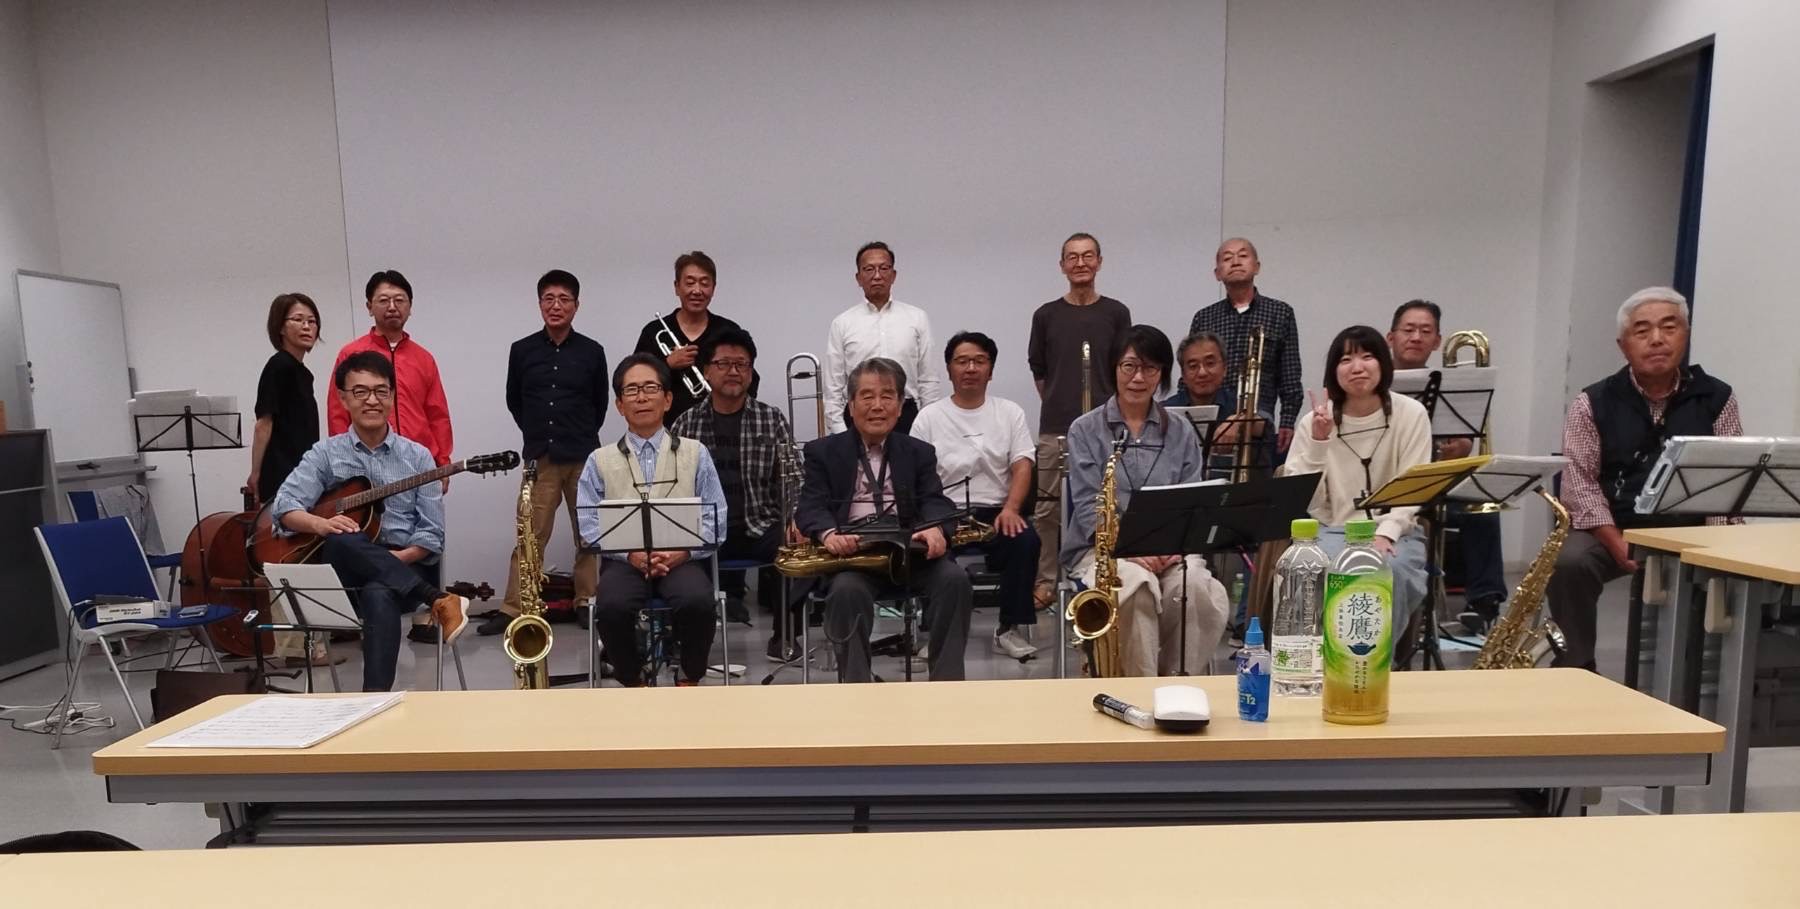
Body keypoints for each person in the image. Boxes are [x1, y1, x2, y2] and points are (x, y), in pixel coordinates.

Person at [1548, 287, 1741, 672]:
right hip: (1616, 527)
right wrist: (1616, 542)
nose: (1657, 339)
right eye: (1642, 330)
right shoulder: (1592, 402)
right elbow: (1580, 484)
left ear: (1685, 335)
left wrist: (1717, 547)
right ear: (1623, 345)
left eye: (1669, 327)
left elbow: (1728, 481)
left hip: (1692, 529)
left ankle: (1706, 672)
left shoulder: (1718, 398)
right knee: (1569, 562)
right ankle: (1576, 666)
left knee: (1738, 562)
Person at [270, 351, 469, 692]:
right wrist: (320, 525)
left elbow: (432, 534)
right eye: (360, 392)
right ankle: (438, 599)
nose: (372, 400)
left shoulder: (419, 456)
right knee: (341, 537)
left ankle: (372, 701)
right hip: (345, 574)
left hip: (407, 565)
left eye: (381, 391)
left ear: (392, 396)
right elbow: (284, 506)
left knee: (380, 592)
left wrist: (397, 559)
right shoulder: (325, 454)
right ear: (343, 398)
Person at [1063, 326, 1229, 676]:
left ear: (1162, 374)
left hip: (1171, 551)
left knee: (1196, 590)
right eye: (1129, 366)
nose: (1138, 378)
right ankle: (1140, 688)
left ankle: (1178, 684)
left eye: (1150, 368)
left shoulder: (1181, 430)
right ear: (1114, 369)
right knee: (1135, 586)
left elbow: (1192, 501)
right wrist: (1129, 548)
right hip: (1103, 550)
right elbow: (1088, 506)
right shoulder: (1084, 429)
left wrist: (1172, 545)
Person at [796, 357, 973, 681]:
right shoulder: (823, 452)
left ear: (901, 405)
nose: (877, 406)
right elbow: (810, 506)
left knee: (954, 580)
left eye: (887, 396)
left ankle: (947, 686)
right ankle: (857, 687)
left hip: (909, 553)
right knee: (846, 591)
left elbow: (934, 500)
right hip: (854, 556)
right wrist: (829, 533)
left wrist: (936, 527)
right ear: (851, 406)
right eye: (867, 396)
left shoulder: (919, 451)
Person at [578, 354, 728, 687]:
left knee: (697, 601)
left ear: (668, 399)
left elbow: (716, 519)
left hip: (683, 558)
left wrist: (683, 553)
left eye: (650, 388)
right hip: (624, 561)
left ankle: (689, 676)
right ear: (619, 405)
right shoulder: (598, 460)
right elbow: (589, 525)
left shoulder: (696, 453)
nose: (642, 398)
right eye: (632, 391)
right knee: (611, 606)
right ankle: (634, 679)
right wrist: (629, 555)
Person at [327, 270, 455, 643]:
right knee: (368, 534)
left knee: (424, 531)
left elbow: (438, 412)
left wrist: (442, 461)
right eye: (383, 300)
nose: (392, 306)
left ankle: (425, 619)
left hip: (416, 464)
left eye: (400, 299)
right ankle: (368, 610)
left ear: (410, 307)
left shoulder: (424, 358)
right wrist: (343, 467)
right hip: (364, 466)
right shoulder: (351, 354)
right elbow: (337, 412)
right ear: (369, 306)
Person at [482, 270, 610, 637]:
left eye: (564, 299)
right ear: (539, 304)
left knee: (589, 534)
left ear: (576, 306)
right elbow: (515, 401)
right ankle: (514, 607)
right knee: (530, 534)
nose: (556, 306)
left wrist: (576, 431)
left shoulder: (592, 351)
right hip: (542, 455)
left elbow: (600, 404)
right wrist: (539, 433)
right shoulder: (522, 350)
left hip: (583, 455)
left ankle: (587, 601)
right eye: (549, 299)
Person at [1283, 326, 1434, 633]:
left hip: (1395, 530)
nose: (1357, 367)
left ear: (1383, 363)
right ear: (1333, 371)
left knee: (1390, 569)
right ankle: (1320, 658)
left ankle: (1377, 660)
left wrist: (1387, 533)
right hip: (1332, 529)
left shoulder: (1411, 414)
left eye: (1367, 357)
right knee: (1313, 572)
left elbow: (1414, 487)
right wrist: (1319, 442)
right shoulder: (1314, 420)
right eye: (1346, 359)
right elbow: (1302, 498)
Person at [671, 327, 806, 657]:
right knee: (683, 567)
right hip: (703, 531)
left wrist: (795, 519)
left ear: (750, 372)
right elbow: (672, 487)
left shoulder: (771, 419)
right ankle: (693, 647)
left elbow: (794, 478)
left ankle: (785, 638)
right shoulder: (685, 424)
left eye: (742, 364)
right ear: (706, 371)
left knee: (797, 548)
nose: (733, 371)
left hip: (760, 525)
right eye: (724, 363)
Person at [911, 332, 1043, 659]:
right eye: (962, 361)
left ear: (991, 370)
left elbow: (1023, 464)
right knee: (928, 550)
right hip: (944, 512)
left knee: (1025, 540)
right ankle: (937, 633)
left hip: (997, 511)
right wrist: (929, 521)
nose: (970, 368)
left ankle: (1009, 629)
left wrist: (1012, 508)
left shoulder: (1010, 412)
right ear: (949, 369)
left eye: (979, 361)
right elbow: (913, 474)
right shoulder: (929, 417)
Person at [1386, 299, 1507, 633]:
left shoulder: (1453, 387)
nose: (1416, 337)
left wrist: (1461, 446)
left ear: (1438, 342)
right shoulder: (1372, 381)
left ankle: (1484, 603)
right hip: (1388, 489)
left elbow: (1463, 440)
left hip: (1435, 483)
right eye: (1408, 329)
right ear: (1390, 337)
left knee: (1483, 508)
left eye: (1426, 331)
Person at [1027, 232, 1132, 611]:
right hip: (1056, 427)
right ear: (1062, 266)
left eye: (1088, 256)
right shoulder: (1046, 315)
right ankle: (1045, 580)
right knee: (1048, 510)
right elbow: (1040, 372)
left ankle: (1104, 573)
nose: (1080, 263)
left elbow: (1124, 366)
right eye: (1072, 257)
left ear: (1099, 262)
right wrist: (1062, 404)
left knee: (1108, 504)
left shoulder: (1116, 313)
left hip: (1108, 428)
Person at [250, 292, 327, 668]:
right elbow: (264, 423)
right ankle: (296, 650)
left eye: (312, 320)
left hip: (302, 476)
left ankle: (308, 646)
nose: (307, 326)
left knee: (304, 558)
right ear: (280, 327)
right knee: (286, 560)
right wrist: (256, 474)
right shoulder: (279, 366)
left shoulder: (300, 370)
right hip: (283, 477)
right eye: (298, 319)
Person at [1187, 238, 1304, 456]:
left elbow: (1289, 373)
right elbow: (1190, 369)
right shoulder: (1204, 317)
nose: (1235, 262)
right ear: (1217, 274)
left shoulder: (1281, 312)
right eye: (1227, 258)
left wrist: (1288, 421)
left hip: (1259, 415)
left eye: (1243, 256)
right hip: (1214, 413)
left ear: (1257, 267)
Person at [822, 242, 943, 434]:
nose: (877, 275)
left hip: (906, 416)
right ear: (858, 278)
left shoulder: (917, 318)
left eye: (884, 268)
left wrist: (928, 428)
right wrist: (840, 432)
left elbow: (928, 380)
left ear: (893, 275)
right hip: (858, 414)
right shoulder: (842, 323)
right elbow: (833, 388)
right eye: (869, 269)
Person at [633, 251, 758, 426]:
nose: (697, 290)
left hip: (719, 428)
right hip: (665, 429)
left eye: (705, 283)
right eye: (690, 283)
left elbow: (750, 379)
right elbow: (634, 383)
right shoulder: (653, 331)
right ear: (677, 287)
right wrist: (667, 364)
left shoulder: (728, 330)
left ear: (713, 288)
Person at [1164, 331, 1274, 477]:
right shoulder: (1165, 410)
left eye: (1210, 363)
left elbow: (1266, 423)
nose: (1202, 372)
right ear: (1183, 375)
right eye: (1193, 366)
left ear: (1225, 369)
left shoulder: (1238, 404)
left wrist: (1238, 421)